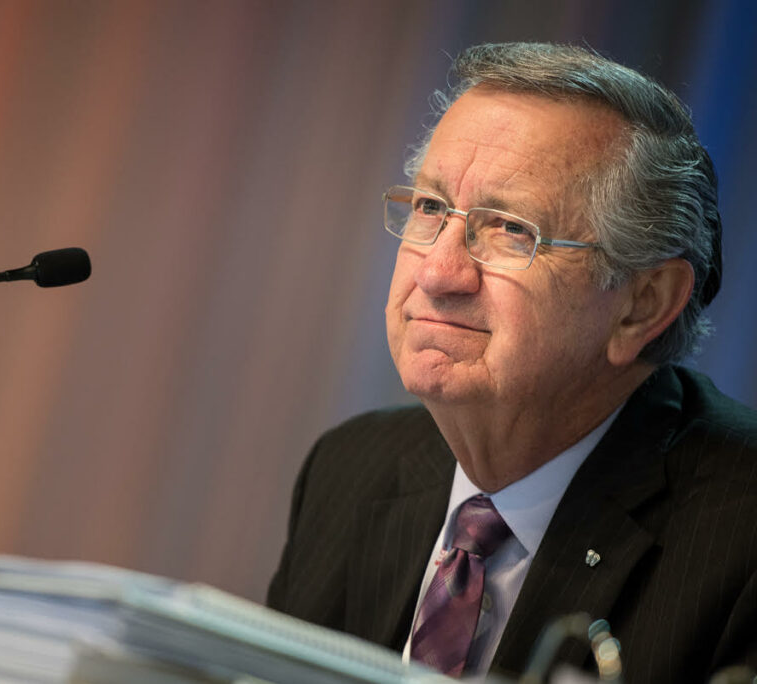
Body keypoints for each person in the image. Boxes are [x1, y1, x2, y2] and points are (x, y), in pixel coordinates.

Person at [267, 42, 757, 683]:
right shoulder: (350, 470)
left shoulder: (740, 537)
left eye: (510, 229)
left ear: (643, 304)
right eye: (430, 208)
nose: (439, 273)